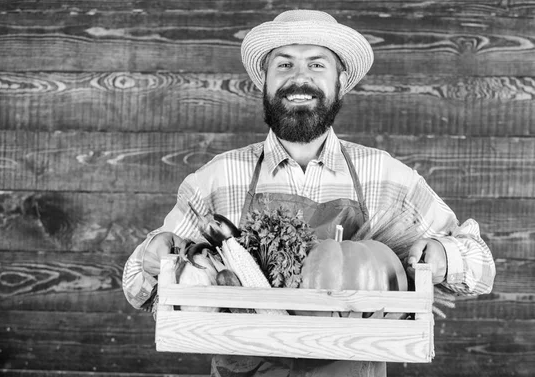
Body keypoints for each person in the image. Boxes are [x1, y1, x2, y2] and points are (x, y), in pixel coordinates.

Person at [122, 9, 496, 377]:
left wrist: (443, 256)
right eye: (284, 65)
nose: (299, 78)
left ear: (339, 81)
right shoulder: (216, 179)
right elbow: (137, 286)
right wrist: (156, 258)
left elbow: (482, 268)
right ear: (264, 81)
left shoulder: (386, 177)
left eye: (317, 65)